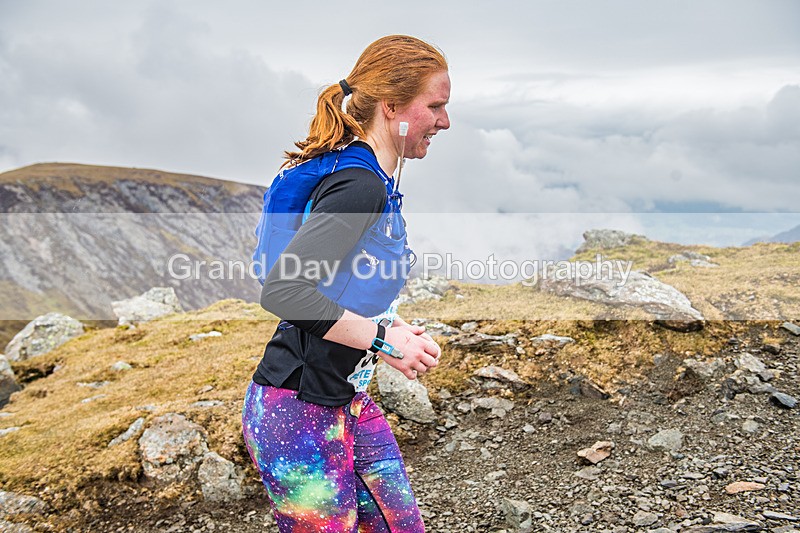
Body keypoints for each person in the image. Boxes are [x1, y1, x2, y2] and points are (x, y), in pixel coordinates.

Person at [242, 35, 451, 532]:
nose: (445, 122)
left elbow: (342, 280)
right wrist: (383, 341)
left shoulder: (362, 173)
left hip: (345, 400)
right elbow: (284, 291)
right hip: (297, 413)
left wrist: (391, 326)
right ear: (392, 106)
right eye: (436, 106)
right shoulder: (360, 185)